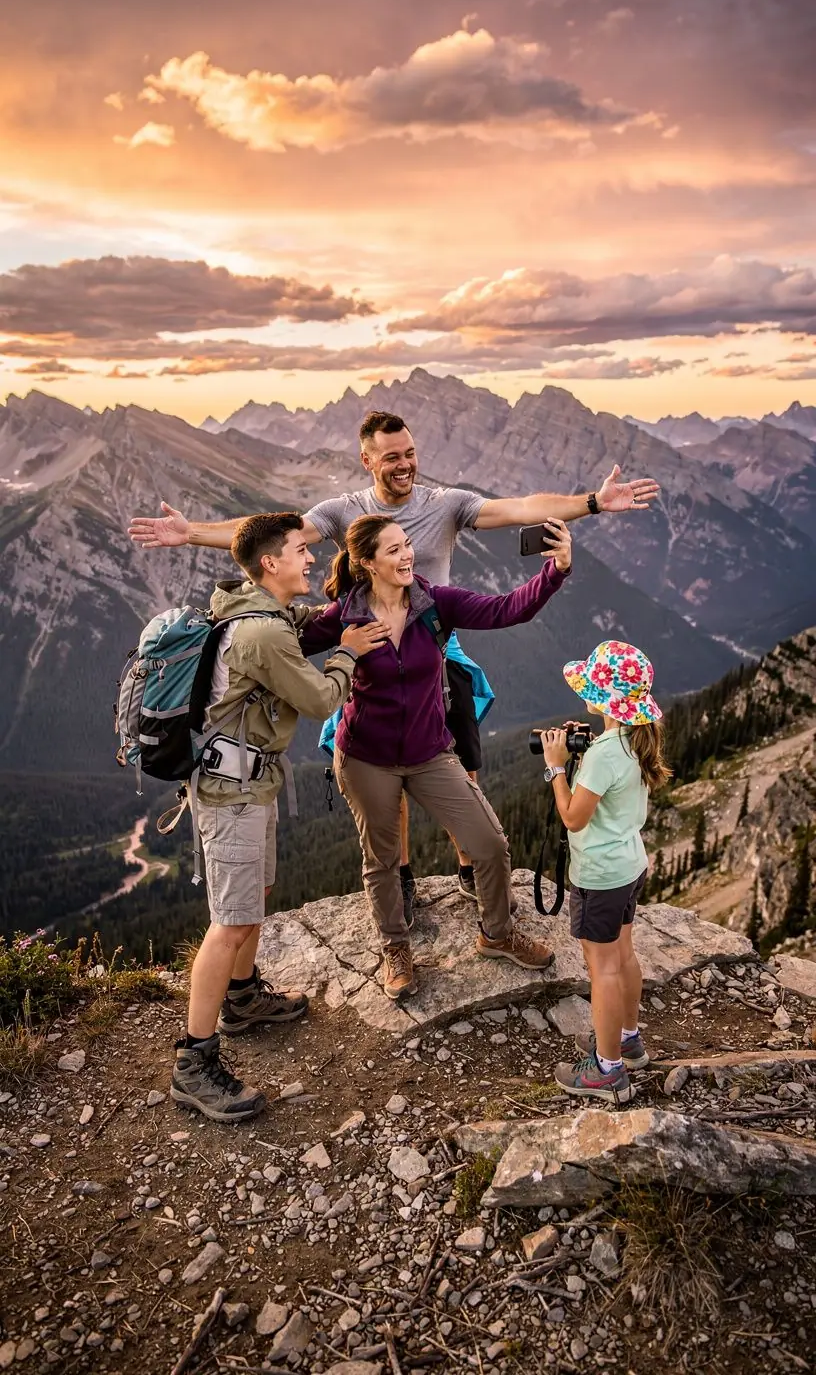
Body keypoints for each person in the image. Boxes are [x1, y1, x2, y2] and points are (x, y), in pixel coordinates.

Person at [128, 410, 660, 911]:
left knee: (458, 757)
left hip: (435, 641)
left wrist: (593, 502)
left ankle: (471, 868)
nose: (405, 464)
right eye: (392, 456)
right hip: (368, 644)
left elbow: (518, 507)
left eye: (410, 452)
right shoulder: (343, 512)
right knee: (382, 764)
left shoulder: (444, 502)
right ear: (368, 461)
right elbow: (273, 536)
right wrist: (192, 533)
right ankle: (399, 877)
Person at [296, 511, 573, 1000]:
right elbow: (285, 645)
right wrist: (339, 644)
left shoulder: (433, 603)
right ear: (366, 564)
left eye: (408, 546)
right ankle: (395, 948)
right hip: (365, 758)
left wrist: (555, 571)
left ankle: (497, 934)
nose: (407, 555)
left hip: (429, 752)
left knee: (488, 844)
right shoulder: (345, 615)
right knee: (382, 860)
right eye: (394, 550)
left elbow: (506, 609)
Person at [171, 512, 388, 1123]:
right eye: (300, 550)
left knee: (254, 899)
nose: (311, 558)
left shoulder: (253, 609)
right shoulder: (262, 632)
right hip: (232, 791)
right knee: (230, 923)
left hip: (248, 779)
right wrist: (346, 653)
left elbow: (301, 625)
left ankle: (241, 1000)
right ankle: (194, 1063)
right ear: (271, 562)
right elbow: (319, 699)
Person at [536, 641, 671, 1105]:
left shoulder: (603, 754)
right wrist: (581, 750)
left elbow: (574, 817)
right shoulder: (633, 738)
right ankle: (627, 1041)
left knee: (603, 969)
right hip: (630, 865)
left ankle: (607, 1070)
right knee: (625, 955)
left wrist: (556, 769)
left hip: (600, 875)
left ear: (604, 697)